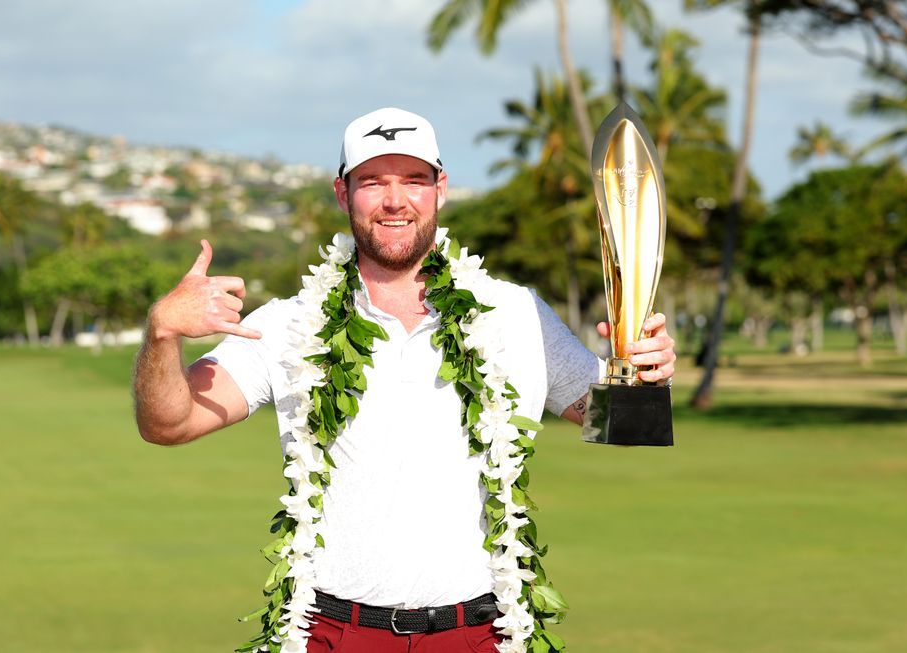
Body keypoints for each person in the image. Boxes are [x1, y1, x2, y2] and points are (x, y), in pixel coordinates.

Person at [133, 107, 676, 653]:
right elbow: (169, 422)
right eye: (373, 181)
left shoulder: (516, 313)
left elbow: (617, 423)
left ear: (440, 188)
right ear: (343, 194)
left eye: (414, 179)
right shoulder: (287, 322)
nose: (395, 199)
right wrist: (162, 333)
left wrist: (644, 372)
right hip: (333, 634)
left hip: (478, 634)